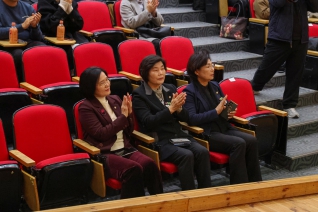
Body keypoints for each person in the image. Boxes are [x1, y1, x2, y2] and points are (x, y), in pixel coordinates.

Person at [79, 67, 163, 199]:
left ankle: (160, 203)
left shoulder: (115, 99)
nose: (107, 84)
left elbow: (128, 131)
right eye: (102, 83)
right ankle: (132, 208)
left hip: (126, 148)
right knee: (133, 169)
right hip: (105, 153)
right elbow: (101, 134)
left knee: (150, 164)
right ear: (90, 86)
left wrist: (129, 115)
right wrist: (123, 117)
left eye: (107, 80)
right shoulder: (86, 107)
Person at [132, 55, 211, 191]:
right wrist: (171, 109)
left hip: (179, 135)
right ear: (146, 73)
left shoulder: (170, 88)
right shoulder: (139, 95)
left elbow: (186, 118)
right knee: (186, 156)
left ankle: (206, 193)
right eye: (155, 70)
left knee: (202, 151)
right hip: (159, 140)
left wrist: (179, 109)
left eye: (162, 69)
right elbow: (148, 122)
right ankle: (190, 197)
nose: (161, 73)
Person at [183, 50, 262, 185]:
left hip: (223, 126)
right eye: (207, 66)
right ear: (196, 71)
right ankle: (239, 186)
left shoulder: (214, 85)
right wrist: (216, 111)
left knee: (252, 140)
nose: (212, 69)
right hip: (207, 133)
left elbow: (222, 108)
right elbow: (192, 118)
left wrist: (228, 113)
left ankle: (256, 183)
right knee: (238, 143)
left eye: (212, 65)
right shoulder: (189, 92)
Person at [251, 0, 318, 118]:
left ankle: (289, 104)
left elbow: (315, 7)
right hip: (279, 36)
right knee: (267, 67)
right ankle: (255, 86)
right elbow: (278, 3)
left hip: (301, 38)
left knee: (296, 72)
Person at [0, 0, 45, 82]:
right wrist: (21, 27)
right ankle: (21, 86)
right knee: (18, 54)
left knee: (42, 49)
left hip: (26, 41)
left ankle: (40, 85)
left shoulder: (28, 7)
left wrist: (34, 27)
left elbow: (38, 38)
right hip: (6, 45)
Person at [38, 0, 88, 73]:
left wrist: (71, 11)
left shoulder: (71, 2)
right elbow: (50, 27)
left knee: (87, 47)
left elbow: (79, 25)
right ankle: (72, 74)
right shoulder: (44, 2)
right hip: (53, 38)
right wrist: (62, 8)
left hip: (72, 36)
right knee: (70, 51)